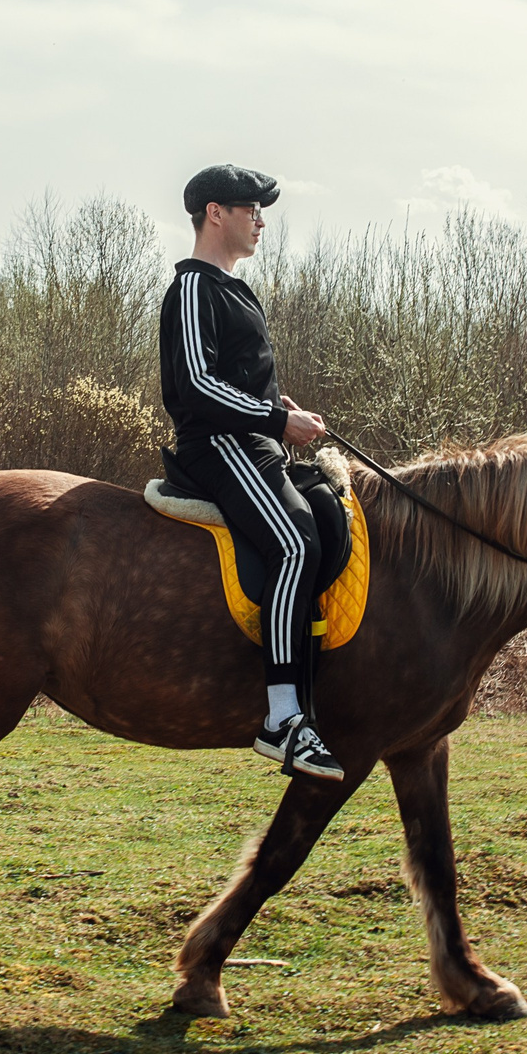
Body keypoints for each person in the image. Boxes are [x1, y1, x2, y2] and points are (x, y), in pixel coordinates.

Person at [159, 165, 344, 782]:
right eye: (252, 210)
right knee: (293, 542)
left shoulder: (237, 290)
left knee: (324, 521)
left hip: (253, 440)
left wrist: (282, 406)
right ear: (217, 214)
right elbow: (196, 385)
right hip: (216, 446)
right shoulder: (193, 289)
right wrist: (273, 418)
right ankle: (282, 720)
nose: (261, 221)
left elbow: (240, 377)